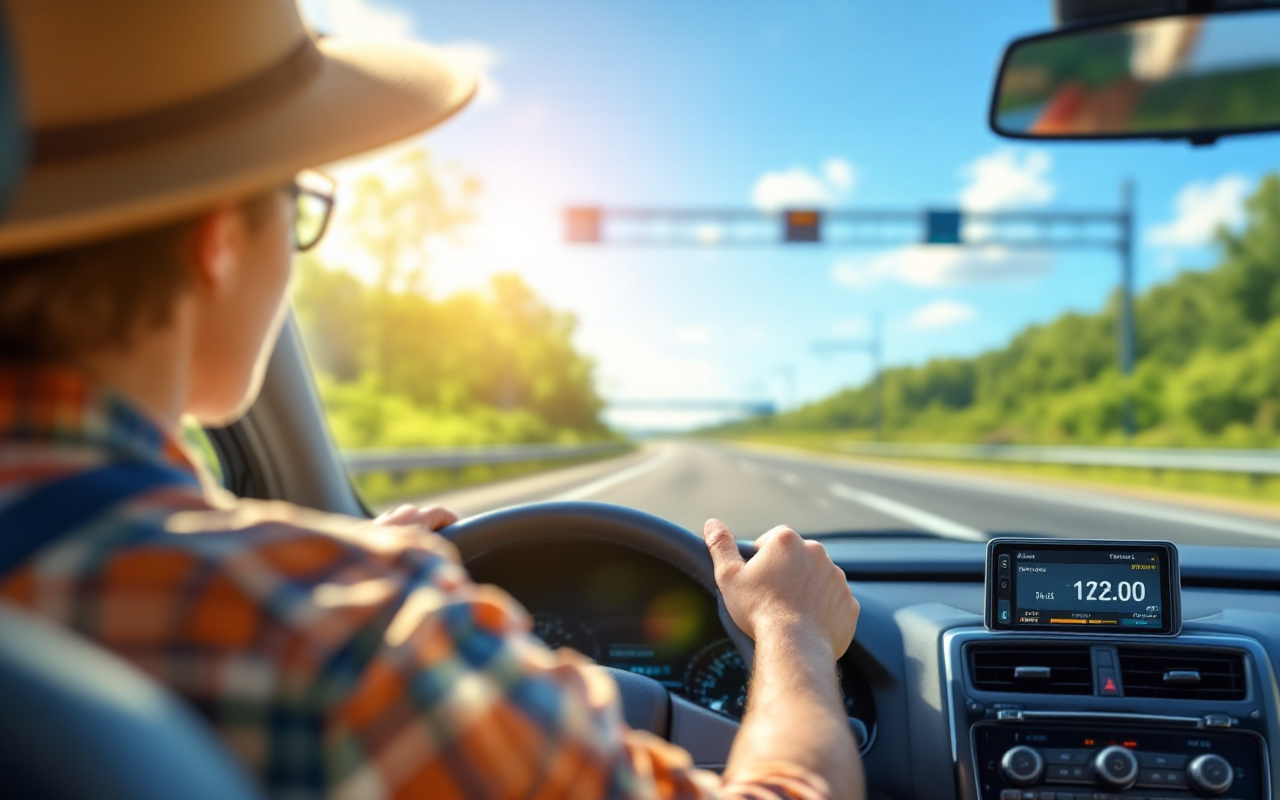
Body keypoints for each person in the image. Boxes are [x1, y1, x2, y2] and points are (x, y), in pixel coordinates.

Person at [0, 2, 864, 799]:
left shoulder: (305, 607)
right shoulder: (347, 642)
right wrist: (791, 631)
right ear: (217, 237)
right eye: (296, 200)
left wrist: (329, 566)